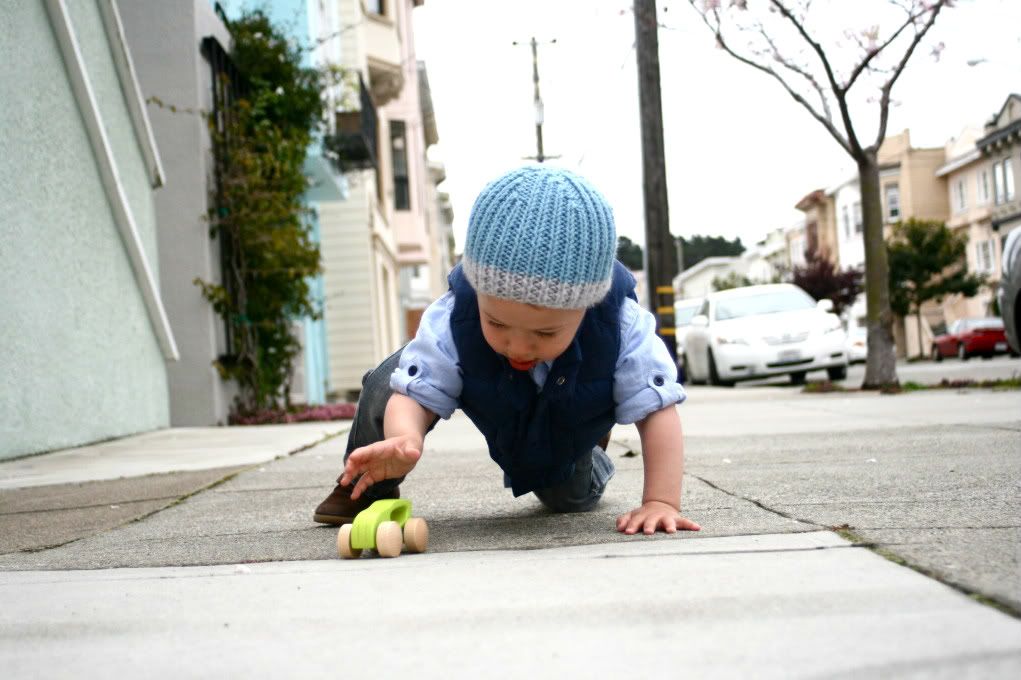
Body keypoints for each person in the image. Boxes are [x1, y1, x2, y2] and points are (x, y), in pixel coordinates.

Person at [313, 165, 700, 535]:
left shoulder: (621, 326)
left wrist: (661, 501)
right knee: (392, 377)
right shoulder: (454, 317)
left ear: (587, 306)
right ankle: (365, 485)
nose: (517, 345)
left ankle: (591, 452)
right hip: (491, 397)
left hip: (566, 420)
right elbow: (415, 393)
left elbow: (657, 410)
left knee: (566, 496)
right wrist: (405, 438)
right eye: (496, 323)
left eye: (545, 332)